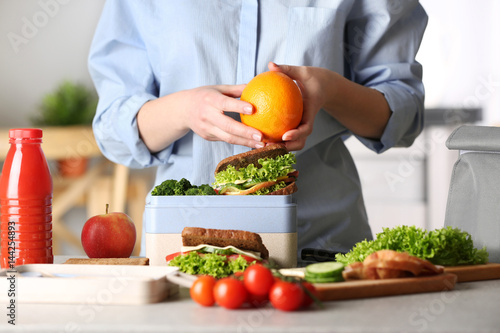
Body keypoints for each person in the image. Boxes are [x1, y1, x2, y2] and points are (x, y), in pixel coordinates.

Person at [88, 0, 427, 263]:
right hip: (183, 246)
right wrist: (184, 110)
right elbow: (113, 131)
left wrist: (331, 90)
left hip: (319, 245)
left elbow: (403, 118)